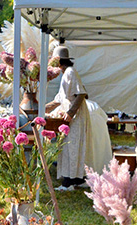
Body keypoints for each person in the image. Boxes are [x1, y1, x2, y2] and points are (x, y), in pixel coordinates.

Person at [45, 45, 92, 190]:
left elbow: (81, 94)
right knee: (71, 147)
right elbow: (59, 99)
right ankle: (77, 179)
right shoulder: (66, 74)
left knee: (72, 146)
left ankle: (69, 182)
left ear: (59, 62)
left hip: (76, 115)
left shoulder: (70, 72)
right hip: (73, 115)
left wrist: (70, 113)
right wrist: (42, 109)